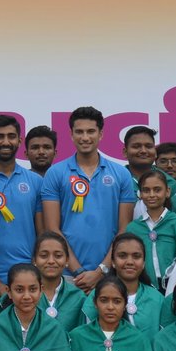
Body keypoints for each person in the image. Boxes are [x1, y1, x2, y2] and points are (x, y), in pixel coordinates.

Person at [40, 107, 136, 287]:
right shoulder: (55, 173)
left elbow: (124, 229)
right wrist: (78, 271)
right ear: (71, 135)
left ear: (101, 134)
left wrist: (101, 270)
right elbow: (52, 228)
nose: (85, 137)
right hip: (67, 274)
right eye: (79, 132)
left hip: (109, 274)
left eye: (91, 131)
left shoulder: (121, 174)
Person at [0, 115, 44, 291]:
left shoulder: (36, 181)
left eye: (11, 136)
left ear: (19, 141)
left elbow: (42, 234)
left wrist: (35, 271)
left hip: (28, 280)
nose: (6, 142)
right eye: (0, 136)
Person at [109, 233, 165, 337]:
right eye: (122, 256)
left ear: (143, 263)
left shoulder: (157, 299)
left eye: (136, 256)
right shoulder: (98, 296)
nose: (130, 262)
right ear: (113, 262)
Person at [133, 169, 176, 287]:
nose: (152, 195)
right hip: (145, 287)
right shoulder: (133, 228)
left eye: (157, 190)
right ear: (140, 194)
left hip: (174, 286)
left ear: (167, 192)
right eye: (146, 190)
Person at [33, 231, 86, 326]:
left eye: (58, 256)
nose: (51, 261)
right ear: (34, 260)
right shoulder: (26, 295)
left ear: (67, 260)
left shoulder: (78, 297)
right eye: (44, 256)